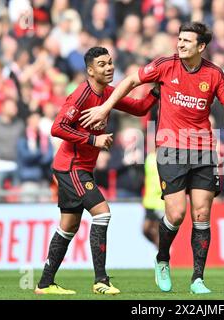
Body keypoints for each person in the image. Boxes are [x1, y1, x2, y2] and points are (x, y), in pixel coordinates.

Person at [80, 22, 224, 294]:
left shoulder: (215, 74)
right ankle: (162, 258)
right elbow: (130, 80)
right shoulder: (164, 65)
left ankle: (197, 278)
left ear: (201, 46)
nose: (180, 44)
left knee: (202, 213)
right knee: (176, 213)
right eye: (179, 39)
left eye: (187, 40)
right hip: (170, 149)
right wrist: (105, 108)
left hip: (204, 149)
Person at [34, 47, 158, 295]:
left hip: (78, 168)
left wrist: (158, 89)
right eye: (102, 64)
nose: (109, 67)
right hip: (71, 167)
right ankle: (101, 280)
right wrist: (94, 140)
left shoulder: (109, 93)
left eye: (110, 63)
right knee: (102, 213)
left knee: (68, 226)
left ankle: (45, 284)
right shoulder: (81, 94)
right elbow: (57, 128)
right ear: (90, 70)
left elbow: (140, 107)